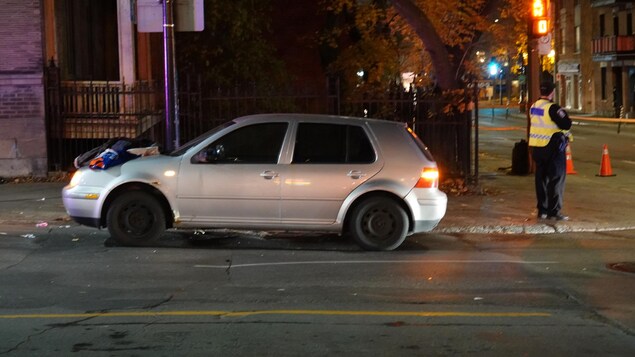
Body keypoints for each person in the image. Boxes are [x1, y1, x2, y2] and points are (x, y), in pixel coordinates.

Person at [529, 81, 572, 221]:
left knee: (540, 179)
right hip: (552, 148)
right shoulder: (552, 108)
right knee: (556, 179)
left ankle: (542, 210)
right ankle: (554, 212)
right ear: (552, 92)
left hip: (537, 147)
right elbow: (566, 123)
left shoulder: (534, 107)